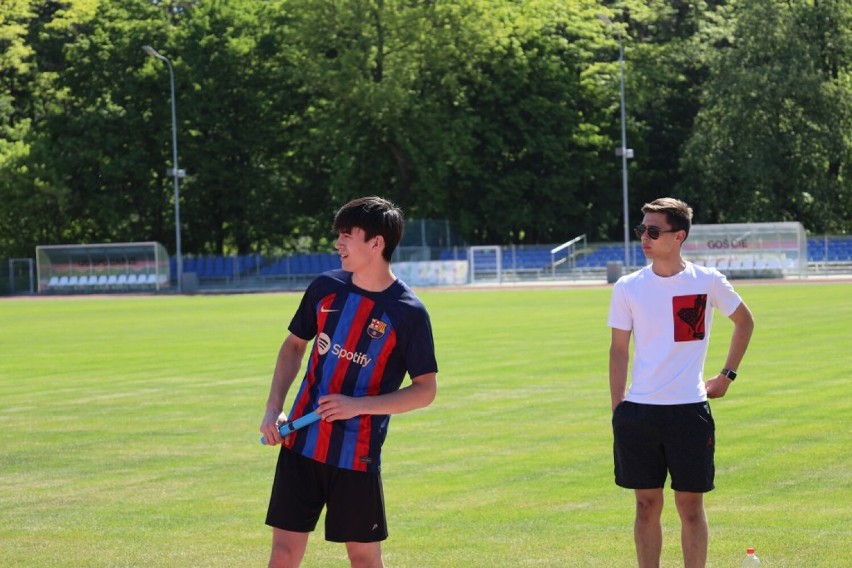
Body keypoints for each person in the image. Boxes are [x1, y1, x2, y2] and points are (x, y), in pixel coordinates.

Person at [260, 196, 438, 568]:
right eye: (338, 235)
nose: (338, 243)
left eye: (347, 235)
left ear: (376, 243)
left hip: (355, 456)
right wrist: (274, 409)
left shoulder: (408, 313)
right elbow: (293, 346)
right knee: (283, 552)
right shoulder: (325, 287)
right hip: (299, 443)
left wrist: (358, 406)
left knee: (363, 557)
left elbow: (425, 390)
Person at [607, 197, 754, 568]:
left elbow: (745, 322)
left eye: (654, 231)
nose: (645, 237)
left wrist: (726, 376)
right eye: (642, 229)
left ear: (679, 236)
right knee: (645, 506)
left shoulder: (706, 281)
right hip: (639, 412)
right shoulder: (628, 286)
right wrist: (617, 407)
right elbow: (619, 350)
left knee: (690, 508)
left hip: (689, 411)